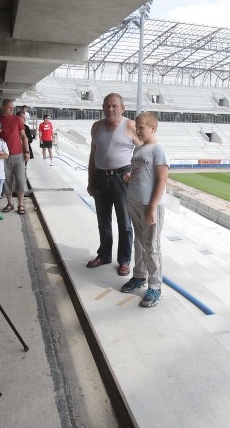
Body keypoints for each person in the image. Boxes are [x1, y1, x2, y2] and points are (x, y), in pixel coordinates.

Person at [86, 93, 141, 276]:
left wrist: (133, 171)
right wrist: (90, 180)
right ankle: (104, 255)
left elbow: (143, 151)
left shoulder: (130, 125)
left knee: (125, 223)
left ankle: (124, 260)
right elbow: (93, 155)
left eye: (114, 106)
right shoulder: (96, 127)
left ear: (122, 108)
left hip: (121, 179)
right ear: (103, 107)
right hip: (100, 178)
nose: (110, 109)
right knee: (103, 221)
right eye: (107, 106)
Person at [119, 112, 169, 308]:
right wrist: (131, 175)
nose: (137, 130)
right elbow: (143, 172)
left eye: (141, 127)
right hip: (134, 203)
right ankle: (139, 277)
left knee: (152, 247)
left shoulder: (159, 149)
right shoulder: (140, 149)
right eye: (137, 127)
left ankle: (155, 287)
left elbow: (162, 180)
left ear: (153, 128)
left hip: (149, 206)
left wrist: (152, 207)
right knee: (138, 245)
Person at [0, 99, 31, 214]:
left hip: (18, 155)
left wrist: (27, 151)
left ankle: (21, 205)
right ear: (3, 107)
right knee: (6, 181)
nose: (12, 109)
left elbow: (24, 136)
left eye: (12, 107)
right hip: (4, 156)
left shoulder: (17, 119)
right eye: (9, 107)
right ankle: (10, 203)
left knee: (20, 180)